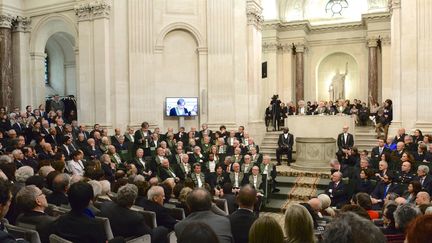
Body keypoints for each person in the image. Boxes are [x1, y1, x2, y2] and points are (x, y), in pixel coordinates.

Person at [99, 184, 167, 243]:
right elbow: (149, 234)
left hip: (112, 237)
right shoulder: (136, 217)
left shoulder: (105, 205)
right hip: (128, 240)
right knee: (162, 229)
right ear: (133, 201)